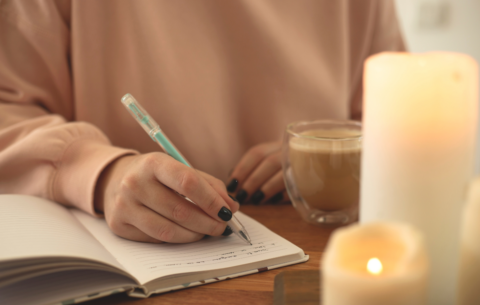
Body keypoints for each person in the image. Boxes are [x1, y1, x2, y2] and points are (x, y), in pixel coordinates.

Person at [0, 0, 405, 243]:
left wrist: (326, 157)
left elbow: (402, 114)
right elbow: (9, 110)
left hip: (321, 243)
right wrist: (103, 173)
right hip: (123, 258)